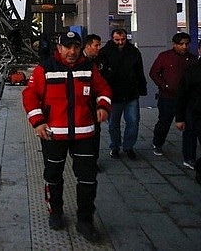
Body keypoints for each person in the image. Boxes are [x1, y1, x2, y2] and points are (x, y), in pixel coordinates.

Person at [23, 31, 111, 242]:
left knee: (88, 179)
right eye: (67, 47)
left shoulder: (89, 68)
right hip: (53, 134)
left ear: (80, 48)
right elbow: (30, 95)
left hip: (85, 133)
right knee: (53, 175)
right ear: (59, 48)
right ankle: (56, 212)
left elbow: (104, 89)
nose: (72, 52)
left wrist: (103, 106)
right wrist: (38, 122)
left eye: (75, 47)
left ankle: (85, 221)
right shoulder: (45, 68)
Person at [149, 32, 197, 168]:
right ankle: (158, 143)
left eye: (187, 44)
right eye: (181, 44)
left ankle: (189, 157)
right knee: (164, 122)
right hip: (168, 97)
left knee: (190, 127)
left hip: (188, 100)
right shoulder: (165, 57)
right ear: (174, 44)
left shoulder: (193, 59)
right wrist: (164, 85)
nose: (184, 46)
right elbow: (154, 73)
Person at [98, 28, 147, 160]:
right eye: (117, 40)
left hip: (131, 93)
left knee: (133, 121)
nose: (120, 42)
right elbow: (100, 74)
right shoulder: (105, 52)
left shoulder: (133, 51)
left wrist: (142, 87)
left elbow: (139, 71)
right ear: (112, 39)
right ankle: (115, 147)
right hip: (113, 95)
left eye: (123, 39)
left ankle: (128, 147)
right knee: (113, 124)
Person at [175, 59, 201, 183]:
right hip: (195, 111)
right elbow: (182, 94)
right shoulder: (192, 70)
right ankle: (190, 159)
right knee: (190, 134)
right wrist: (179, 118)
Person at [83, 34, 103, 164]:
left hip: (95, 103)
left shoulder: (100, 59)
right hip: (83, 103)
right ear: (88, 46)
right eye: (96, 45)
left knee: (95, 131)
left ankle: (93, 160)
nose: (98, 48)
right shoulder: (79, 61)